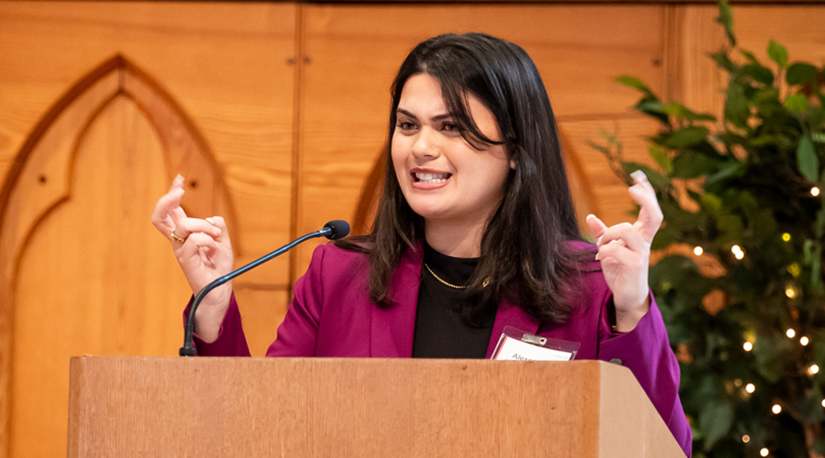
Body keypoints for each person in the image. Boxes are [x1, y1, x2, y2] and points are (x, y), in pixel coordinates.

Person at [152, 33, 692, 455]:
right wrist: (214, 311)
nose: (421, 147)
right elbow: (260, 433)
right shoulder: (338, 273)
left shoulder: (591, 285)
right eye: (408, 125)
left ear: (515, 150)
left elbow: (663, 448)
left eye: (452, 127)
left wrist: (632, 310)